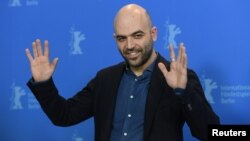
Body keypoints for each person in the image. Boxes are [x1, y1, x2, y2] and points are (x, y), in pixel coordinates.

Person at [25, 3, 220, 141]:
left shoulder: (180, 77)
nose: (129, 46)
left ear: (153, 34)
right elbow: (64, 116)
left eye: (137, 35)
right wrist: (43, 84)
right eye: (121, 38)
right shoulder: (105, 79)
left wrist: (183, 92)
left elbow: (209, 132)